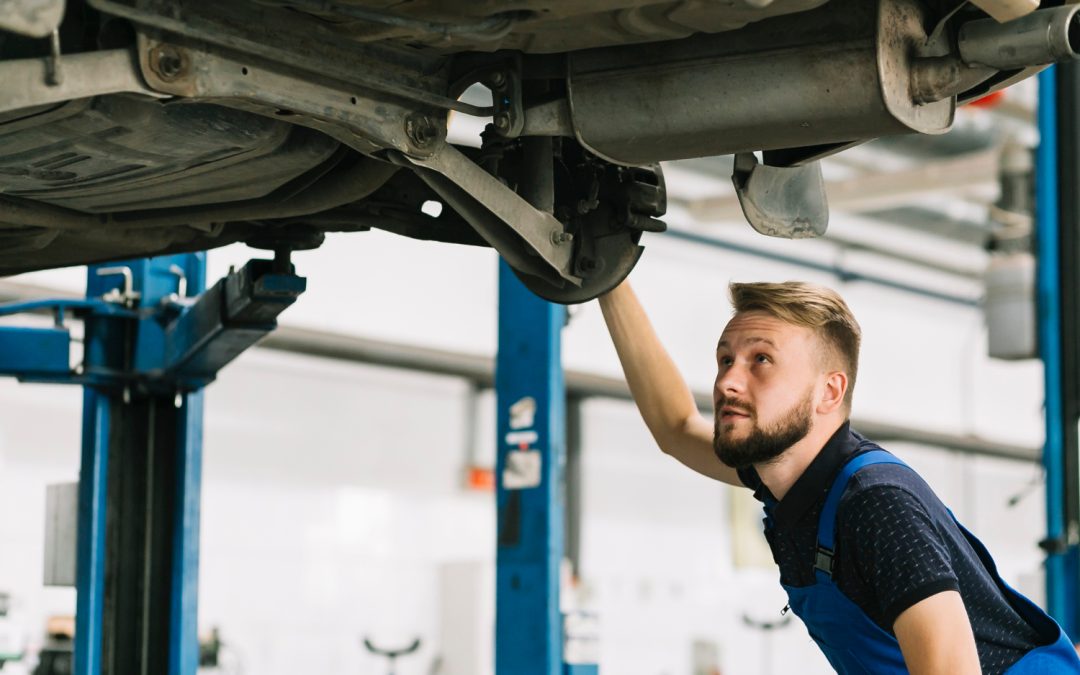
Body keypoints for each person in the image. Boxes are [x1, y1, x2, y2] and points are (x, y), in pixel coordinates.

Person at [598, 279, 1080, 674]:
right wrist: (606, 279)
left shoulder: (876, 506)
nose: (727, 381)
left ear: (829, 392)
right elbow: (676, 428)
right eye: (726, 359)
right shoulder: (793, 482)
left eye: (760, 360)